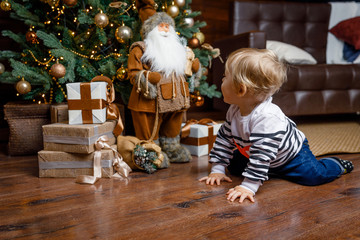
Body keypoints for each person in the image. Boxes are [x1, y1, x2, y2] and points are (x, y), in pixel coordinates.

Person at [199, 48, 354, 203]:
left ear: (241, 89)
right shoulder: (234, 110)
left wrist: (248, 186)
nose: (221, 80)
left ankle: (336, 164)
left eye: (225, 77)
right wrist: (218, 169)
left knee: (314, 176)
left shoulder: (267, 118)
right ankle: (268, 171)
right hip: (257, 154)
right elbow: (224, 139)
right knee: (233, 167)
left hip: (291, 156)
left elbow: (261, 155)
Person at [127, 3, 200, 165]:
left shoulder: (178, 49)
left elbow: (186, 69)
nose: (165, 30)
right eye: (161, 26)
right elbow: (133, 73)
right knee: (148, 128)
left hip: (175, 100)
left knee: (173, 127)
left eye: (168, 26)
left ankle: (172, 148)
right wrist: (146, 77)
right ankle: (151, 152)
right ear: (151, 30)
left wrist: (193, 68)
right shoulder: (140, 49)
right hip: (149, 102)